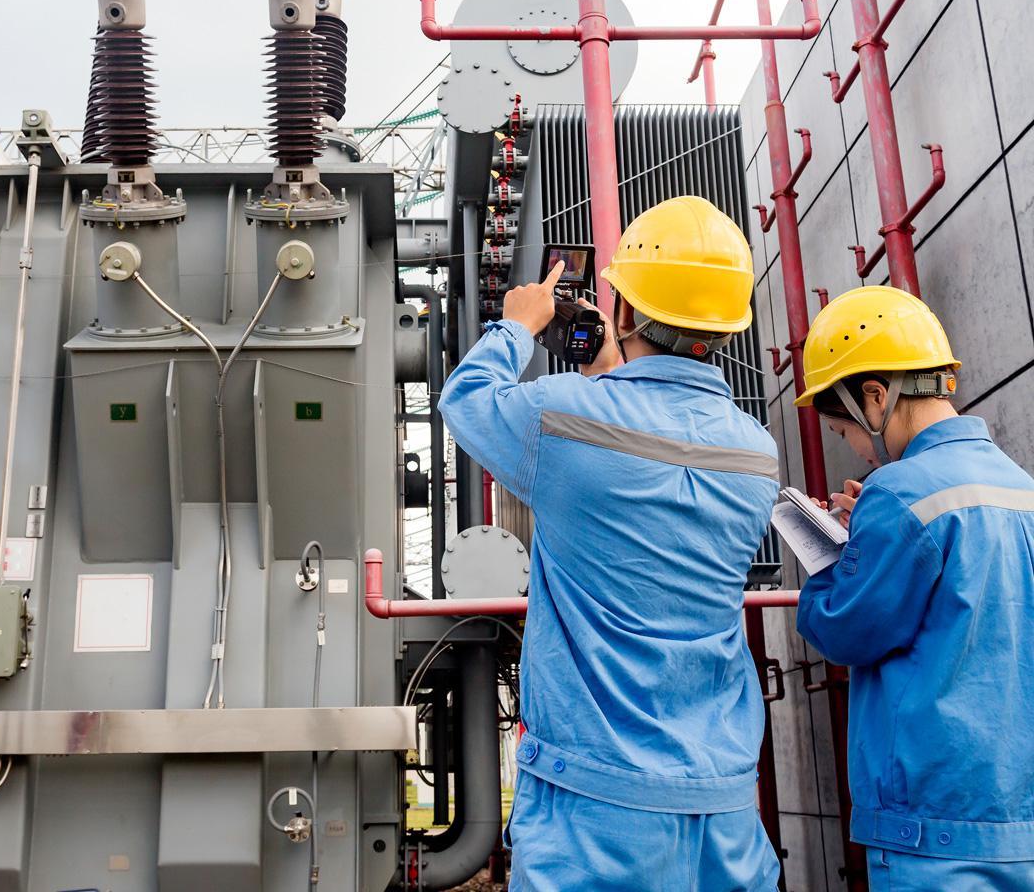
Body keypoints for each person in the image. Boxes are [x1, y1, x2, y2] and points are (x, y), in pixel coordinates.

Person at [439, 196, 781, 892]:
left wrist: (518, 328)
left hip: (594, 811)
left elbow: (466, 400)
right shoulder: (757, 455)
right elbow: (642, 460)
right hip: (721, 807)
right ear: (724, 327)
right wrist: (606, 377)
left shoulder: (565, 420)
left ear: (623, 313)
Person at [794, 285, 1034, 891]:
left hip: (931, 830)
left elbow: (844, 628)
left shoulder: (898, 493)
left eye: (843, 428)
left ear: (876, 398)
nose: (851, 445)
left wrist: (834, 560)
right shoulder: (1022, 487)